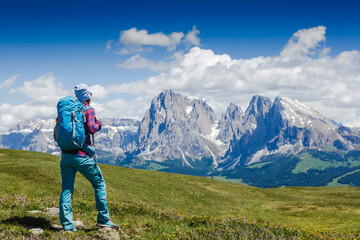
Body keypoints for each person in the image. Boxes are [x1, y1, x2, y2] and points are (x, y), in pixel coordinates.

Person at [59, 83, 119, 232]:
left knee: (66, 189)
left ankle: (67, 226)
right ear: (88, 96)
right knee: (99, 184)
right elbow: (92, 129)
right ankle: (104, 219)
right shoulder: (88, 109)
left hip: (66, 155)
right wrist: (99, 123)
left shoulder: (67, 109)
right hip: (82, 156)